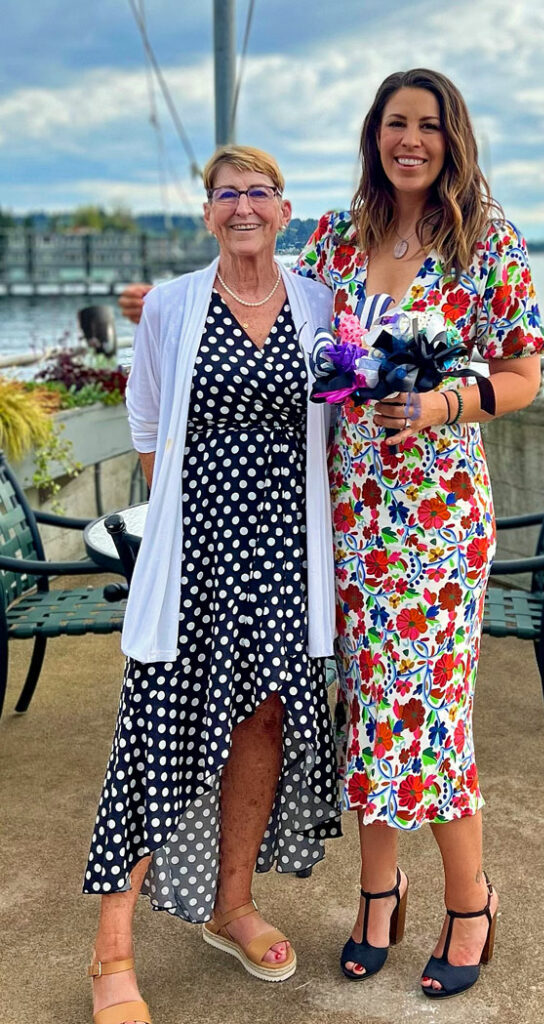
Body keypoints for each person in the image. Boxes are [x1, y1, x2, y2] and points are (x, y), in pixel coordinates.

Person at [293, 68, 544, 998]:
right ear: (374, 134)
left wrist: (442, 402)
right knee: (364, 705)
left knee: (429, 713)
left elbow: (522, 376)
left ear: (452, 138)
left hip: (437, 516)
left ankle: (470, 902)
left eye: (428, 125)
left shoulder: (486, 240)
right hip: (349, 509)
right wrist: (163, 313)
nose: (411, 139)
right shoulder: (334, 237)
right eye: (395, 122)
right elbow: (276, 320)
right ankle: (377, 891)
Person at [85, 145, 341, 1024]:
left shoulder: (319, 303)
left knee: (263, 717)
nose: (242, 207)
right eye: (225, 194)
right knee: (158, 727)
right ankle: (111, 949)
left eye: (258, 192)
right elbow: (147, 419)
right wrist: (179, 528)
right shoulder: (171, 304)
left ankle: (231, 906)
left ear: (284, 210)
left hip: (286, 556)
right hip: (196, 553)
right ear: (207, 214)